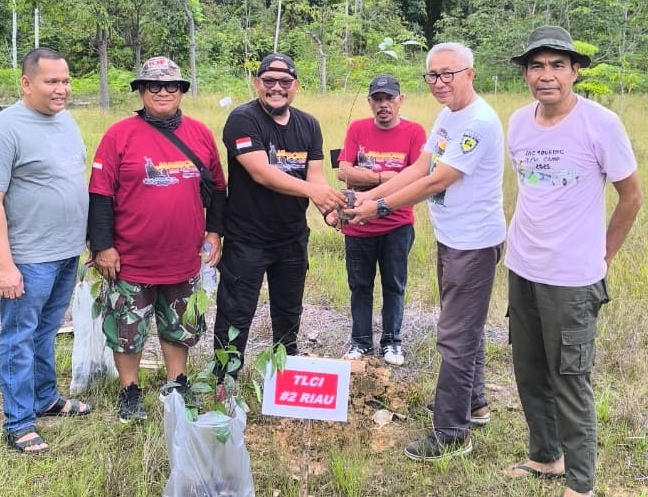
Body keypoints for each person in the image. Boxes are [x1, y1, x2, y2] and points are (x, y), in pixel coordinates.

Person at [504, 26, 642, 497]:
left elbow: (632, 197)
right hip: (522, 266)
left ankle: (580, 483)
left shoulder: (600, 124)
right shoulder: (518, 123)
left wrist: (603, 257)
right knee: (529, 369)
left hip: (573, 279)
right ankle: (546, 456)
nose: (546, 75)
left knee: (570, 378)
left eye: (557, 65)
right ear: (525, 74)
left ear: (575, 71)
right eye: (536, 66)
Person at [346, 43, 506, 461]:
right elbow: (420, 168)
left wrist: (379, 207)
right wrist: (366, 199)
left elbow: (438, 180)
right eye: (432, 75)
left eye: (447, 74)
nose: (439, 82)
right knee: (465, 325)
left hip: (474, 243)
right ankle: (475, 403)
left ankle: (452, 432)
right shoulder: (449, 116)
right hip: (452, 238)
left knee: (454, 334)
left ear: (470, 73)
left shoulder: (479, 122)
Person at [87, 56, 227, 423]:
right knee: (127, 330)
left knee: (179, 326)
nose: (162, 92)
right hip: (131, 258)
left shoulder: (200, 134)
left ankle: (177, 383)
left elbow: (218, 188)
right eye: (153, 85)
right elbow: (100, 194)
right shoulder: (119, 135)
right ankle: (129, 390)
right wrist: (102, 246)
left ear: (181, 91)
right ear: (141, 91)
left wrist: (215, 231)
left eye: (171, 86)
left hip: (184, 256)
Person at [0, 47, 92, 454]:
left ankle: (45, 398)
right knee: (19, 337)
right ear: (26, 83)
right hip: (29, 257)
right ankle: (19, 421)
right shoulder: (3, 129)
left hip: (67, 252)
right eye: (51, 81)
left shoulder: (66, 121)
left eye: (66, 81)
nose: (62, 89)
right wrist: (5, 265)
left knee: (46, 330)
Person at [212, 53, 346, 387]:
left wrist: (329, 210)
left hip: (291, 237)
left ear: (295, 86)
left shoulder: (309, 124)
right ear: (257, 83)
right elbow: (262, 172)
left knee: (288, 312)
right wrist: (317, 193)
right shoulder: (242, 119)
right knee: (235, 313)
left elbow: (315, 176)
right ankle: (224, 383)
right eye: (269, 81)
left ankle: (285, 380)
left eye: (284, 81)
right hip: (247, 239)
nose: (276, 88)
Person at [335, 75, 426, 366]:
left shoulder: (414, 132)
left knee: (394, 285)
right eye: (377, 99)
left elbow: (417, 177)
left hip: (397, 223)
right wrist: (384, 177)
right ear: (370, 102)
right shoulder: (357, 128)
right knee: (360, 286)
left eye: (389, 98)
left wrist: (367, 178)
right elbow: (343, 171)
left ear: (400, 100)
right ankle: (361, 342)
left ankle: (392, 342)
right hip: (359, 224)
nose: (383, 105)